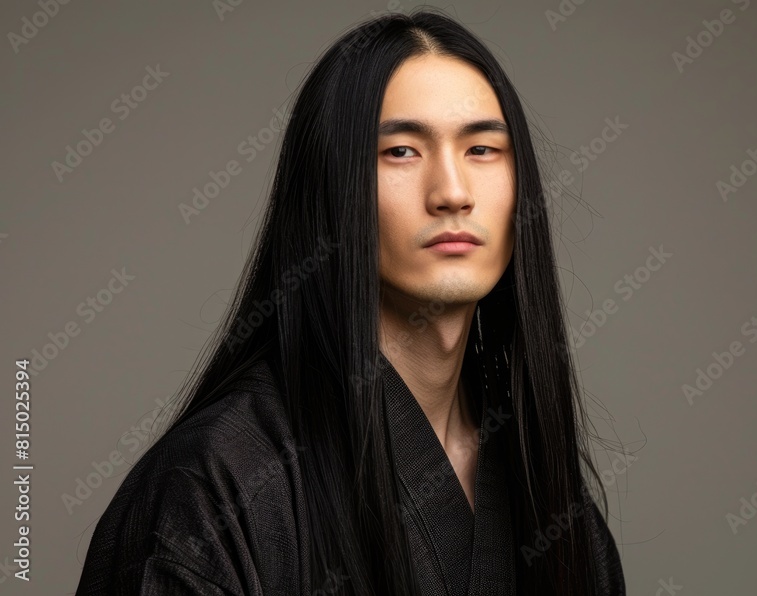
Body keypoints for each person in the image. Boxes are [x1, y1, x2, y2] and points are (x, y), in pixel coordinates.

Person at [76, 8, 626, 595]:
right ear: (332, 190)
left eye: (483, 149)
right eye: (402, 152)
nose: (452, 193)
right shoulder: (219, 487)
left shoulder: (557, 509)